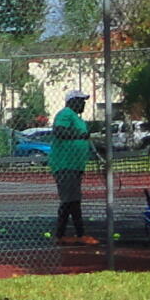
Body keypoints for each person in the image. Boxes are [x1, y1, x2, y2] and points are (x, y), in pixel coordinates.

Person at [48, 89, 94, 241]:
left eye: (84, 101)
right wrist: (79, 135)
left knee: (73, 200)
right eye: (80, 100)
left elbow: (83, 139)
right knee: (70, 200)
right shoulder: (65, 114)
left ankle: (72, 234)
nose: (83, 104)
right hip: (65, 165)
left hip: (75, 166)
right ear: (71, 101)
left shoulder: (78, 119)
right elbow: (59, 131)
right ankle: (70, 234)